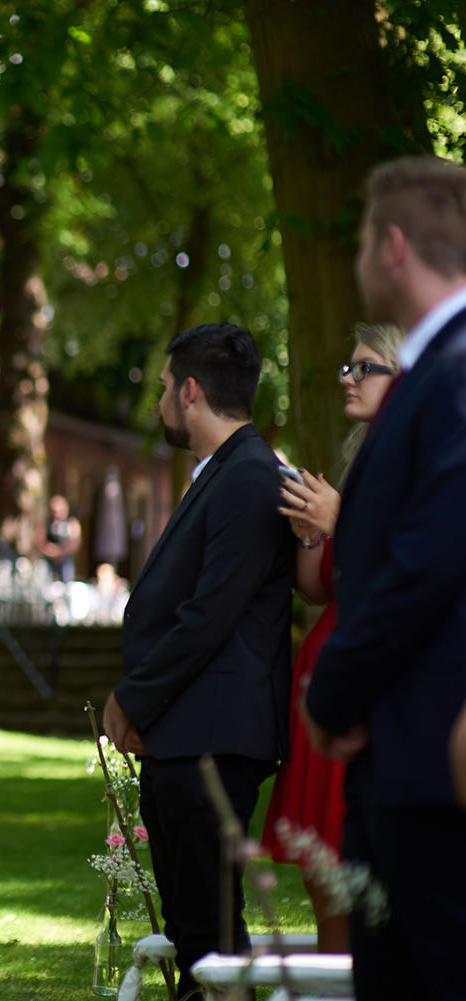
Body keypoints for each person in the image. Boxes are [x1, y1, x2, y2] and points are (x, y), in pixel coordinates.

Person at [304, 155, 466, 1001]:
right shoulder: (429, 376)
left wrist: (334, 691)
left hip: (438, 766)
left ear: (393, 245)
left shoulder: (459, 370)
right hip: (399, 762)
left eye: (365, 237)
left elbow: (430, 559)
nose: (360, 257)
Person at [102, 322, 294, 998]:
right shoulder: (223, 472)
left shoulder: (248, 475)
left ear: (190, 391)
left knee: (211, 936)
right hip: (186, 734)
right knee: (193, 932)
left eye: (162, 387)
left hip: (214, 736)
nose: (158, 401)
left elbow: (209, 616)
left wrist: (132, 697)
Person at [259, 323, 401, 954]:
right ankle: (331, 978)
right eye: (348, 367)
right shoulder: (359, 455)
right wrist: (312, 531)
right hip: (324, 661)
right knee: (322, 866)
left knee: (359, 859)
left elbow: (410, 575)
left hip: (374, 678)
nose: (348, 377)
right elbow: (319, 590)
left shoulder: (427, 460)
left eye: (365, 368)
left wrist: (340, 519)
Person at [40, 494, 81, 582]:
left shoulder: (71, 523)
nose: (57, 514)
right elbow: (40, 540)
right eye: (54, 511)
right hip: (49, 561)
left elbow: (75, 542)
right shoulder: (47, 523)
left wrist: (60, 552)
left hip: (65, 561)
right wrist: (50, 550)